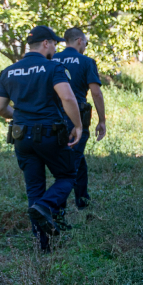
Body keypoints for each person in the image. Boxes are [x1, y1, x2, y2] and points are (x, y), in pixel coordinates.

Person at [0, 26, 83, 251]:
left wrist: (23, 118)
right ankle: (45, 206)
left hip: (22, 137)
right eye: (54, 43)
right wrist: (78, 125)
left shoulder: (8, 71)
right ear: (45, 44)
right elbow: (68, 98)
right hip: (50, 134)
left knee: (34, 188)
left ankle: (42, 246)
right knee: (67, 175)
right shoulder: (53, 67)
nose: (55, 47)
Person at [53, 27, 106, 212]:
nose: (85, 46)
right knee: (71, 165)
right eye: (85, 42)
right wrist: (102, 120)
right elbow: (96, 93)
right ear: (79, 41)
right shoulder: (86, 61)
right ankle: (54, 207)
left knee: (78, 160)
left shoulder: (51, 59)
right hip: (76, 120)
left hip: (53, 119)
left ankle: (83, 201)